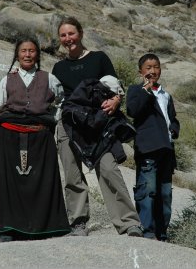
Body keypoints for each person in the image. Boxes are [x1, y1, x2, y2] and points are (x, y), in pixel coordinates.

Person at [52, 16, 143, 237]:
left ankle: (128, 222)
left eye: (71, 33)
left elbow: (115, 86)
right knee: (72, 174)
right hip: (69, 124)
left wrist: (115, 100)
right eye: (63, 35)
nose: (68, 39)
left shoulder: (99, 58)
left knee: (109, 169)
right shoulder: (58, 67)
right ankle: (78, 222)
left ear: (80, 34)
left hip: (97, 123)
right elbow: (54, 96)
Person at [0, 37, 71, 242]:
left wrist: (53, 119)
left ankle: (45, 228)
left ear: (37, 54)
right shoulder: (8, 80)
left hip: (41, 139)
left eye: (31, 51)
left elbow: (62, 101)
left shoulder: (49, 79)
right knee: (10, 185)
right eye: (23, 51)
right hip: (9, 139)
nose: (28, 55)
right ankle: (10, 230)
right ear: (17, 55)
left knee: (44, 183)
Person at [125, 53, 180, 241]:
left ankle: (162, 232)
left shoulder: (166, 95)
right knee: (147, 189)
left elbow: (173, 118)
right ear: (140, 71)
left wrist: (173, 129)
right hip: (148, 147)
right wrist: (146, 91)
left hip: (166, 149)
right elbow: (133, 110)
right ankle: (147, 229)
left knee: (165, 193)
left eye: (156, 67)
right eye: (148, 67)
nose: (152, 71)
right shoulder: (135, 90)